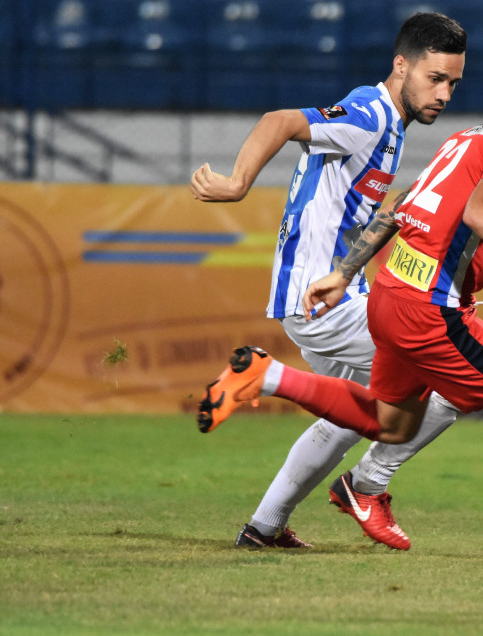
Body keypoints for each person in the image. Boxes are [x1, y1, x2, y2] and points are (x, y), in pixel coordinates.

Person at [199, 54, 483, 566]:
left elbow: (402, 203)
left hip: (392, 294)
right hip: (431, 309)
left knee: (390, 422)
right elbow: (479, 212)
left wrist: (347, 272)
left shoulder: (477, 135)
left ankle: (269, 377)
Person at [189, 12, 467, 551]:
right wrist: (238, 182)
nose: (445, 93)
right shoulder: (370, 112)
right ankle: (366, 484)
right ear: (401, 65)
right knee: (450, 373)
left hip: (325, 296)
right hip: (323, 301)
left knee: (349, 416)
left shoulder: (388, 125)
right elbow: (280, 120)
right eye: (435, 78)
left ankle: (263, 528)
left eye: (454, 82)